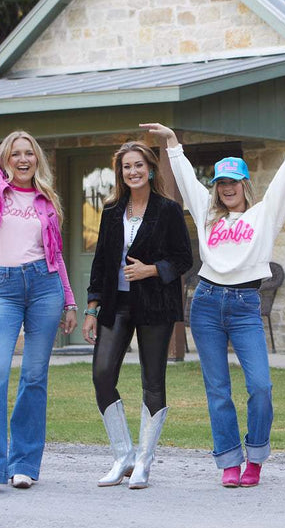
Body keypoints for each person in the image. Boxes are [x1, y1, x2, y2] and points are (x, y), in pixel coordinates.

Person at [141, 110, 285, 488]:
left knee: (260, 386)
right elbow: (188, 181)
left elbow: (284, 184)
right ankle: (228, 461)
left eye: (234, 182)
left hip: (244, 307)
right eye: (222, 182)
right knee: (217, 389)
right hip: (206, 302)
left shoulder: (264, 216)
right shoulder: (207, 215)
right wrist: (172, 143)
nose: (227, 188)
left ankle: (255, 458)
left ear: (245, 185)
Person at [82, 141, 192, 489]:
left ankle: (144, 461)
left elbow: (183, 259)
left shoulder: (169, 210)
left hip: (155, 305)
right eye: (127, 166)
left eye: (138, 165)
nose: (133, 171)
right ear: (121, 172)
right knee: (101, 374)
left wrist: (151, 271)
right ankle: (123, 455)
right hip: (116, 305)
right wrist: (91, 307)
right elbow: (101, 262)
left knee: (153, 382)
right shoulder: (112, 210)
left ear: (151, 169)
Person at [0, 131, 77, 489]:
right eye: (15, 153)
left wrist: (70, 299)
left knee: (33, 377)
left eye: (28, 153)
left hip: (45, 287)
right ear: (6, 159)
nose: (22, 159)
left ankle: (24, 465)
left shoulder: (47, 200)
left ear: (37, 159)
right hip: (5, 289)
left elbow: (57, 255)